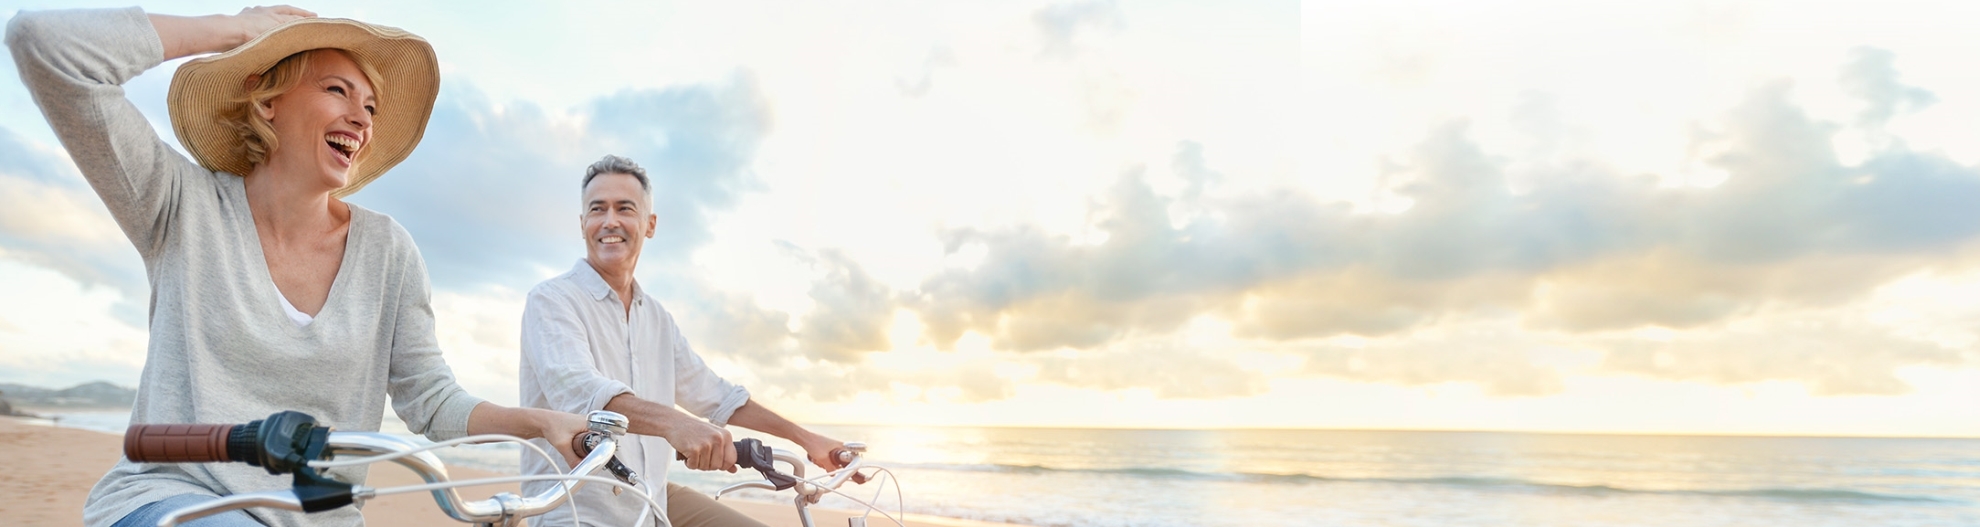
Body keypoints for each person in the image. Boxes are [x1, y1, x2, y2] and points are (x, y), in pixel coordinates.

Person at [6, 7, 592, 527]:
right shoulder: (179, 205)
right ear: (267, 101)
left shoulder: (388, 251)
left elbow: (431, 400)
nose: (361, 119)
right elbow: (45, 44)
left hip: (318, 516)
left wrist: (538, 422)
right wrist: (234, 31)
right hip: (175, 499)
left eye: (370, 107)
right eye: (337, 90)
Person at [519, 155, 856, 527]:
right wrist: (678, 425)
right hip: (576, 508)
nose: (609, 220)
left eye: (624, 208)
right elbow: (584, 394)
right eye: (597, 209)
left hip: (650, 499)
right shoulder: (551, 300)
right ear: (583, 224)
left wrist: (806, 439)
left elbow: (715, 395)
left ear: (650, 224)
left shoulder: (658, 318)